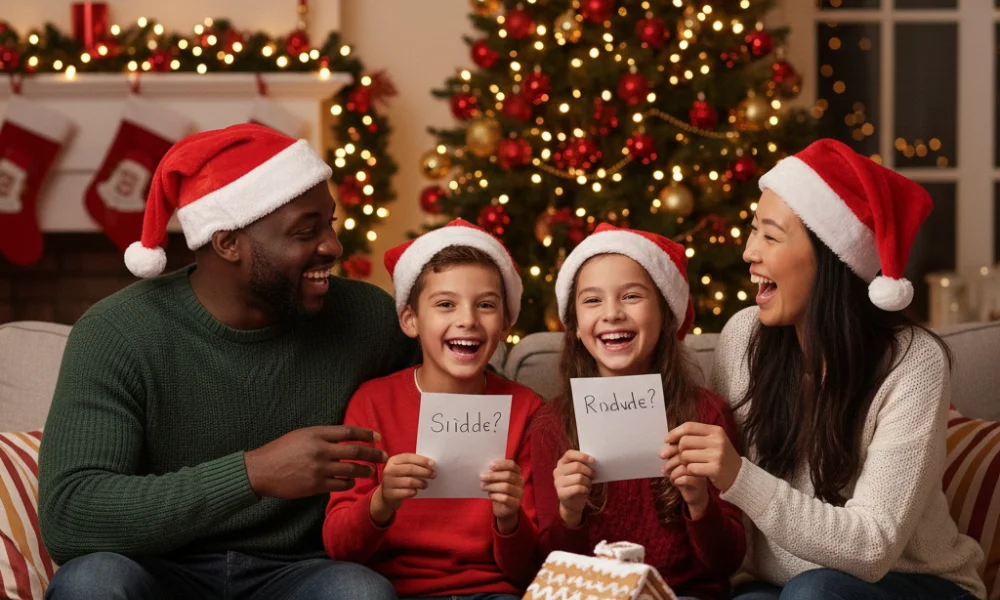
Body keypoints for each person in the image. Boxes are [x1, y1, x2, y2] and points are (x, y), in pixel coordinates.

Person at [38, 124, 418, 600]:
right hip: (156, 571)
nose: (333, 247)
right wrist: (254, 473)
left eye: (330, 223)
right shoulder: (118, 333)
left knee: (359, 593)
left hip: (301, 572)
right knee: (93, 583)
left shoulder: (368, 319)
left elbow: (472, 399)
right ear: (227, 243)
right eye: (306, 231)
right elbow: (71, 515)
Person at [663, 138, 986, 599]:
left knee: (812, 593)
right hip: (781, 585)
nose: (749, 253)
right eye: (753, 230)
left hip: (916, 583)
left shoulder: (913, 362)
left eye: (770, 236)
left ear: (832, 257)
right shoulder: (743, 337)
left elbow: (872, 549)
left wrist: (739, 477)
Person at [323, 219, 543, 600]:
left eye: (486, 305)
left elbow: (531, 569)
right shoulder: (372, 403)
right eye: (445, 304)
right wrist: (382, 500)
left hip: (493, 591)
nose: (468, 320)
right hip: (393, 590)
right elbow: (340, 548)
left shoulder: (526, 409)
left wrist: (509, 518)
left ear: (506, 323)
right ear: (411, 321)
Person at [531, 223, 745, 600]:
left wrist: (698, 501)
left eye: (631, 296)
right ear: (575, 327)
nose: (612, 313)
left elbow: (726, 561)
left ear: (665, 315)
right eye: (593, 300)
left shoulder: (705, 415)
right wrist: (570, 512)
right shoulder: (551, 423)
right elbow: (551, 565)